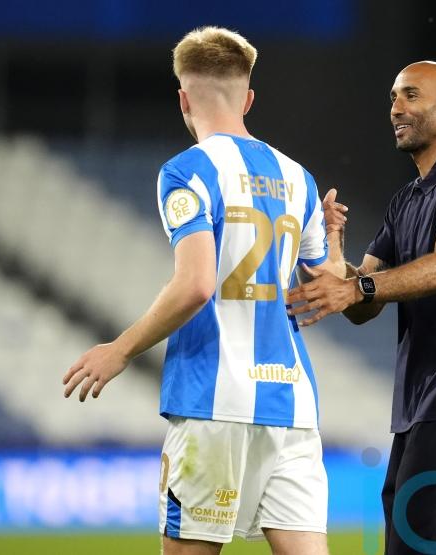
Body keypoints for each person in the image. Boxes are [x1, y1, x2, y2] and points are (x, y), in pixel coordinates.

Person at [62, 26, 344, 555]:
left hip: (214, 402)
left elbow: (195, 285)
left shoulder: (187, 171)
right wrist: (334, 240)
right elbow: (326, 289)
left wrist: (118, 350)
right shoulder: (298, 178)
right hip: (291, 402)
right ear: (250, 98)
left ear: (183, 99)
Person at [287, 61, 436, 554]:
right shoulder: (406, 200)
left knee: (414, 548)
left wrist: (359, 288)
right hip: (423, 406)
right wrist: (335, 254)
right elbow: (362, 304)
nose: (395, 108)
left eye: (411, 96)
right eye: (393, 97)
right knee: (411, 545)